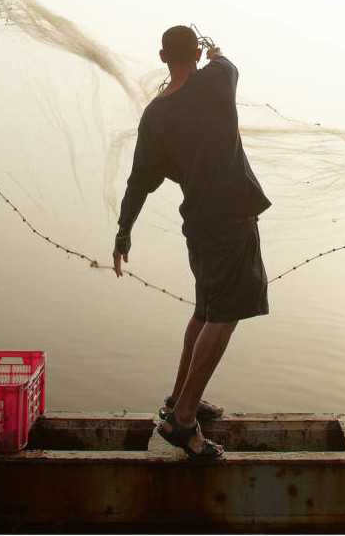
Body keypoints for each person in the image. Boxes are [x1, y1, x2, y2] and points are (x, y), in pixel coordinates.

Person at [112, 26, 271, 460]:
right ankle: (182, 421)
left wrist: (123, 231)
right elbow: (229, 64)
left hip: (199, 226)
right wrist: (215, 48)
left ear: (163, 56)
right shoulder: (215, 82)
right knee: (225, 315)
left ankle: (180, 398)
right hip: (230, 222)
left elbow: (139, 181)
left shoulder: (156, 114)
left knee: (205, 310)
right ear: (195, 53)